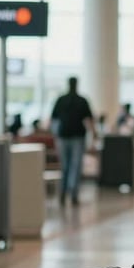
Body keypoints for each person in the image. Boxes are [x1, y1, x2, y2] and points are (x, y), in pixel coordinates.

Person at [50, 76, 96, 205]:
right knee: (75, 166)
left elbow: (54, 120)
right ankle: (73, 194)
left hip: (63, 136)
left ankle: (64, 193)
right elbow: (89, 121)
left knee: (65, 166)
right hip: (77, 136)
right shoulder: (82, 100)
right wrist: (94, 136)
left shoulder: (61, 100)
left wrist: (55, 136)